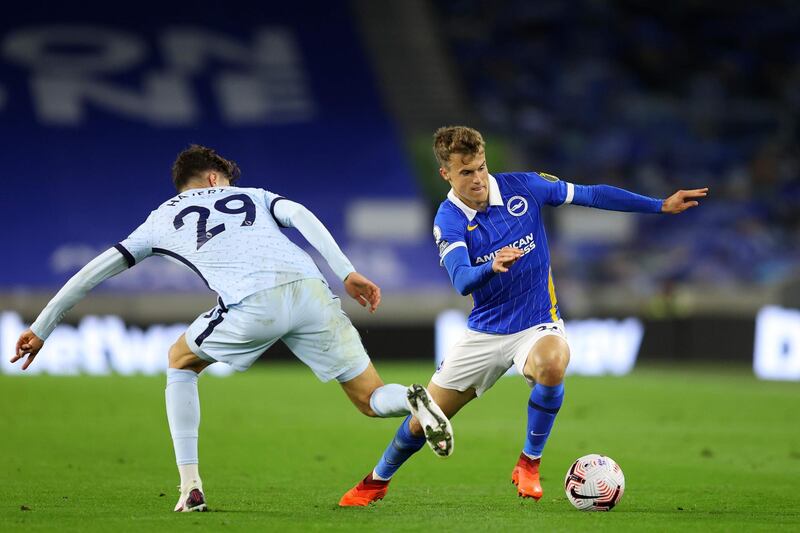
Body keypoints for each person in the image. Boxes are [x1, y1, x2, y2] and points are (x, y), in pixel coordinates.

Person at [11, 145, 453, 513]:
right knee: (371, 400)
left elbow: (93, 272)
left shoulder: (159, 218)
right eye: (225, 179)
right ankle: (415, 400)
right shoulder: (255, 195)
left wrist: (42, 326)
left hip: (252, 301)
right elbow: (299, 214)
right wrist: (347, 272)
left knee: (179, 360)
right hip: (312, 290)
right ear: (211, 179)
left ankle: (190, 487)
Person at [339, 125, 708, 506]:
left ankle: (529, 463)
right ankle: (375, 482)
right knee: (422, 422)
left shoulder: (525, 187)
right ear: (445, 174)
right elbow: (462, 280)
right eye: (466, 172)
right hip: (484, 333)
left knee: (552, 363)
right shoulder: (447, 220)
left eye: (481, 167)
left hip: (536, 323)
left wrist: (659, 205)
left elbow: (592, 194)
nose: (478, 178)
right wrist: (491, 266)